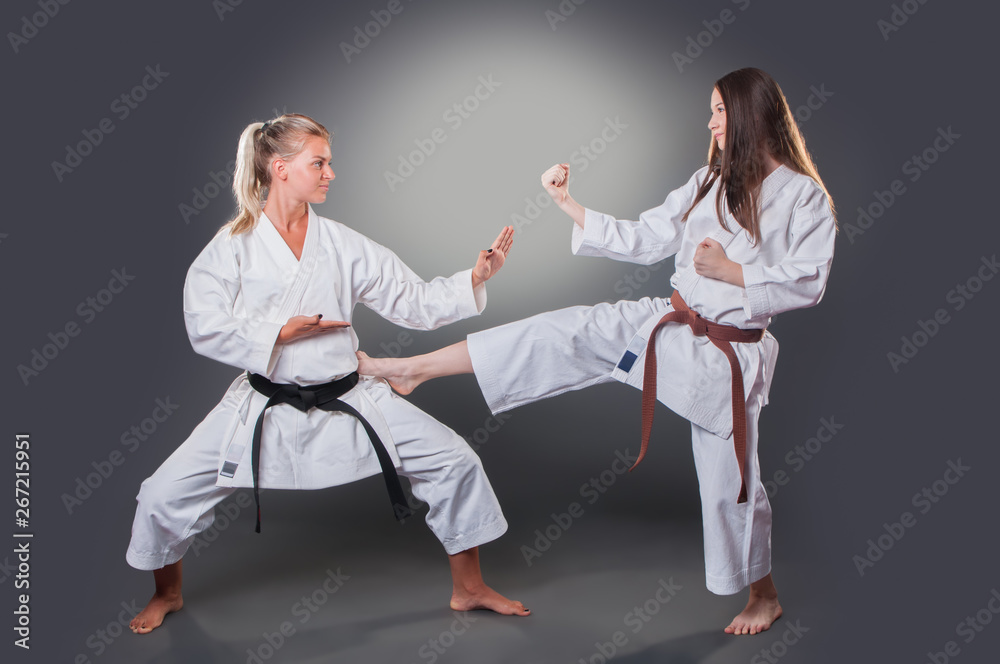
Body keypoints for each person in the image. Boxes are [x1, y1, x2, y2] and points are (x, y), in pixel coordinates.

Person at [358, 68, 837, 636]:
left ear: (752, 112)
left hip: (727, 357)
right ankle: (412, 368)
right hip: (669, 323)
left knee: (730, 484)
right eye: (710, 110)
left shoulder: (804, 197)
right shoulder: (708, 180)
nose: (709, 122)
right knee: (564, 330)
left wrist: (732, 271)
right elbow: (646, 237)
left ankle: (765, 596)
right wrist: (567, 203)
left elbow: (808, 282)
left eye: (719, 110)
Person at [127, 113, 528, 634]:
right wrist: (278, 334)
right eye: (319, 163)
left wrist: (472, 279)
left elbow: (412, 300)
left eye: (329, 163)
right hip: (263, 406)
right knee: (162, 494)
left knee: (454, 460)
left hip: (347, 399)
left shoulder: (341, 243)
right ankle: (168, 591)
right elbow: (203, 324)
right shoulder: (232, 245)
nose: (330, 173)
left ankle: (469, 589)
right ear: (280, 168)